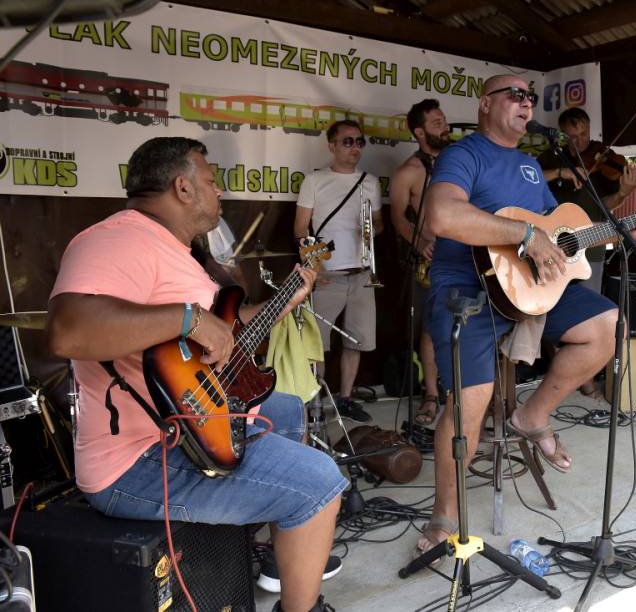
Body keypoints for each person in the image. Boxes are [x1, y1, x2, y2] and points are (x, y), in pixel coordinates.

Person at [46, 137, 345, 612]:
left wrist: (287, 298)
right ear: (183, 187)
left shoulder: (177, 252)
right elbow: (68, 330)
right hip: (139, 459)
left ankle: (260, 550)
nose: (219, 192)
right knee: (320, 482)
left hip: (191, 424)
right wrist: (186, 318)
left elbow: (223, 331)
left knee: (285, 406)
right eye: (211, 181)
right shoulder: (117, 239)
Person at [414, 75, 636, 553]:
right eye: (516, 95)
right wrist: (524, 235)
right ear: (485, 104)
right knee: (468, 403)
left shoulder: (530, 166)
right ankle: (444, 513)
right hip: (469, 288)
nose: (527, 103)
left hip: (532, 289)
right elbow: (442, 217)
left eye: (530, 97)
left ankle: (532, 414)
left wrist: (625, 231)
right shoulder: (464, 155)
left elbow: (563, 235)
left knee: (609, 326)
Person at [294, 120, 384, 423]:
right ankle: (315, 401)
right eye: (348, 141)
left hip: (361, 274)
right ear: (331, 145)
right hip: (327, 274)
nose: (355, 147)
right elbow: (300, 230)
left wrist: (370, 230)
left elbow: (379, 224)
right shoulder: (314, 181)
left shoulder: (370, 181)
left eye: (360, 141)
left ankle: (345, 398)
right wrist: (314, 269)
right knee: (317, 343)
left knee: (356, 341)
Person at [538, 107, 636, 294]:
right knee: (550, 300)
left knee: (587, 303)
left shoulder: (604, 159)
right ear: (562, 135)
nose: (579, 141)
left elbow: (606, 205)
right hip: (551, 241)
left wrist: (622, 194)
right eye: (572, 136)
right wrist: (560, 172)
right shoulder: (551, 156)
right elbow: (530, 179)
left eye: (584, 134)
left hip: (590, 245)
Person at [389, 99, 450, 425]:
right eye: (437, 122)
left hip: (466, 254)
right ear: (419, 131)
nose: (445, 126)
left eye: (444, 120)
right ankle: (430, 393)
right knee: (430, 330)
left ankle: (463, 394)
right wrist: (422, 241)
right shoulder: (408, 172)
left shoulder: (459, 161)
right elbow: (398, 217)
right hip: (432, 259)